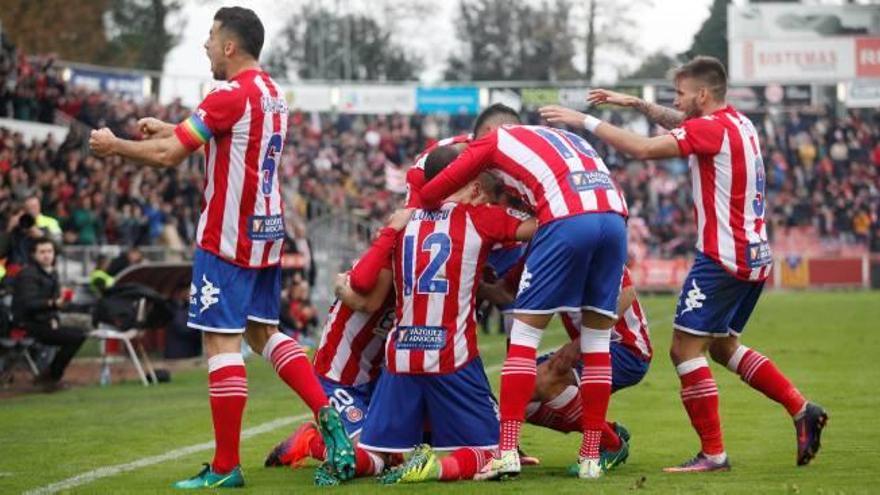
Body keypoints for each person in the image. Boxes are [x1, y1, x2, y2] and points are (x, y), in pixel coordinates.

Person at [89, 7, 355, 489]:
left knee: (220, 342)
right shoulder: (272, 93)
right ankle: (328, 415)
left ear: (230, 47)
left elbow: (172, 158)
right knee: (262, 332)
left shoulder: (229, 93)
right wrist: (170, 126)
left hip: (227, 235)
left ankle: (226, 466)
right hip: (266, 231)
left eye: (211, 38)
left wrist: (116, 145)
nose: (206, 46)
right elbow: (223, 139)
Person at [539, 55, 827, 471]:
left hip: (722, 257)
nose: (677, 100)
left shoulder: (710, 128)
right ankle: (802, 410)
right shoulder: (738, 123)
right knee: (724, 347)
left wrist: (582, 121)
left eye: (681, 93)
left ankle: (714, 454)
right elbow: (683, 123)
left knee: (683, 350)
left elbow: (641, 149)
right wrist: (637, 105)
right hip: (754, 255)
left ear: (703, 94)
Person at [419, 110, 629, 480]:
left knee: (524, 336)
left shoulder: (489, 144)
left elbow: (431, 192)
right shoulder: (557, 138)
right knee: (597, 344)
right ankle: (591, 458)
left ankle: (506, 452)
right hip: (614, 218)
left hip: (566, 218)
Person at [351, 146, 537, 486]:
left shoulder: (403, 220)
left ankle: (338, 454)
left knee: (376, 453)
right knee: (495, 453)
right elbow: (538, 228)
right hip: (452, 355)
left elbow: (363, 283)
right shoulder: (480, 217)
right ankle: (435, 468)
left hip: (401, 356)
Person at [263, 209, 410, 475]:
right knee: (366, 460)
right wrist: (342, 288)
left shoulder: (414, 275)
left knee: (394, 457)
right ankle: (310, 442)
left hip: (376, 382)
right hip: (337, 378)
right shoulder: (379, 266)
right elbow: (367, 300)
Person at [12, 238, 85, 392]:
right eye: (42, 252)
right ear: (33, 255)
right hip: (26, 324)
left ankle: (50, 376)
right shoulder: (28, 275)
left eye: (49, 251)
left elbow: (54, 304)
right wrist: (53, 305)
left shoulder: (52, 273)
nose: (47, 255)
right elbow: (28, 304)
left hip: (43, 322)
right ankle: (51, 377)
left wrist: (54, 315)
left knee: (79, 334)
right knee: (76, 337)